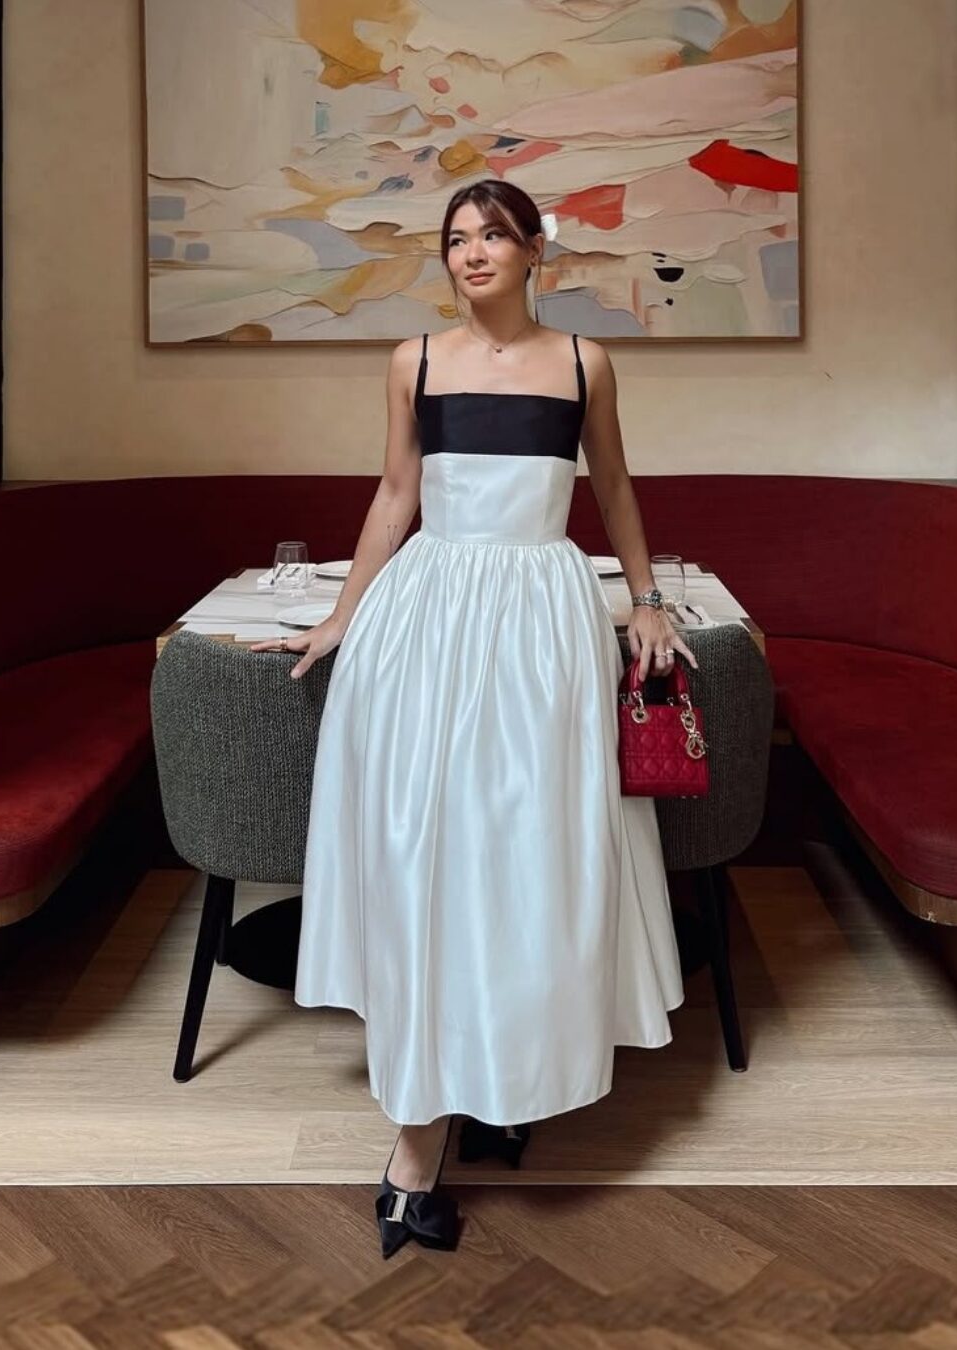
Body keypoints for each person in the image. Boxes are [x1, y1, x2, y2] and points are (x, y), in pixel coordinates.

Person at [252, 178, 698, 1259]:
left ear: (536, 249)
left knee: (527, 856)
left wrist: (646, 598)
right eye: (456, 239)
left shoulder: (586, 362)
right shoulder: (412, 360)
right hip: (431, 618)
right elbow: (395, 495)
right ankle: (419, 1138)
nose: (472, 253)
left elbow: (614, 488)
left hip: (543, 619)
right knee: (432, 856)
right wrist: (343, 616)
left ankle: (506, 1080)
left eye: (493, 234)